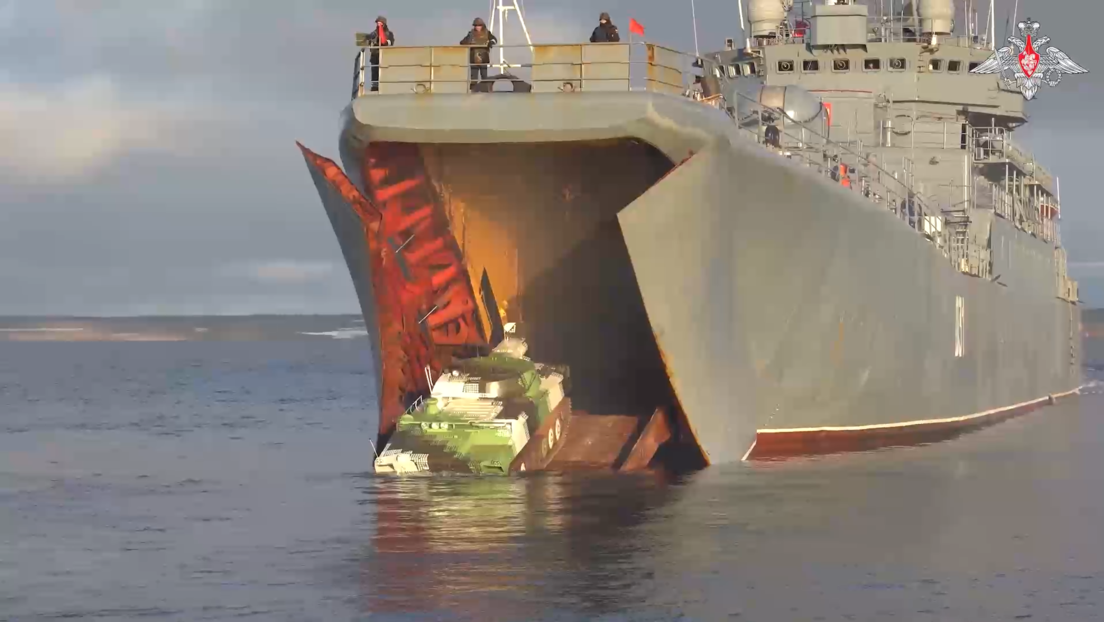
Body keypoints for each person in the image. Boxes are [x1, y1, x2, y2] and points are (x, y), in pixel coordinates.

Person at [461, 18, 497, 91]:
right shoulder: (471, 34)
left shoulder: (487, 33)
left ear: (482, 26)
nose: (478, 27)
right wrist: (467, 42)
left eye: (479, 25)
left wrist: (491, 43)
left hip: (484, 57)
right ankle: (473, 91)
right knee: (474, 77)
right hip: (473, 58)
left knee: (484, 76)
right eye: (476, 25)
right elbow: (462, 42)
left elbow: (494, 40)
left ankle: (485, 90)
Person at [366, 16, 395, 92]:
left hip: (385, 56)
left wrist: (385, 42)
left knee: (384, 72)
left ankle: (385, 86)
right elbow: (369, 43)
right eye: (377, 23)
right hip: (375, 56)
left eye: (380, 23)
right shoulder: (373, 34)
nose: (378, 25)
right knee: (375, 72)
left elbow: (390, 43)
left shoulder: (389, 34)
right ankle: (375, 87)